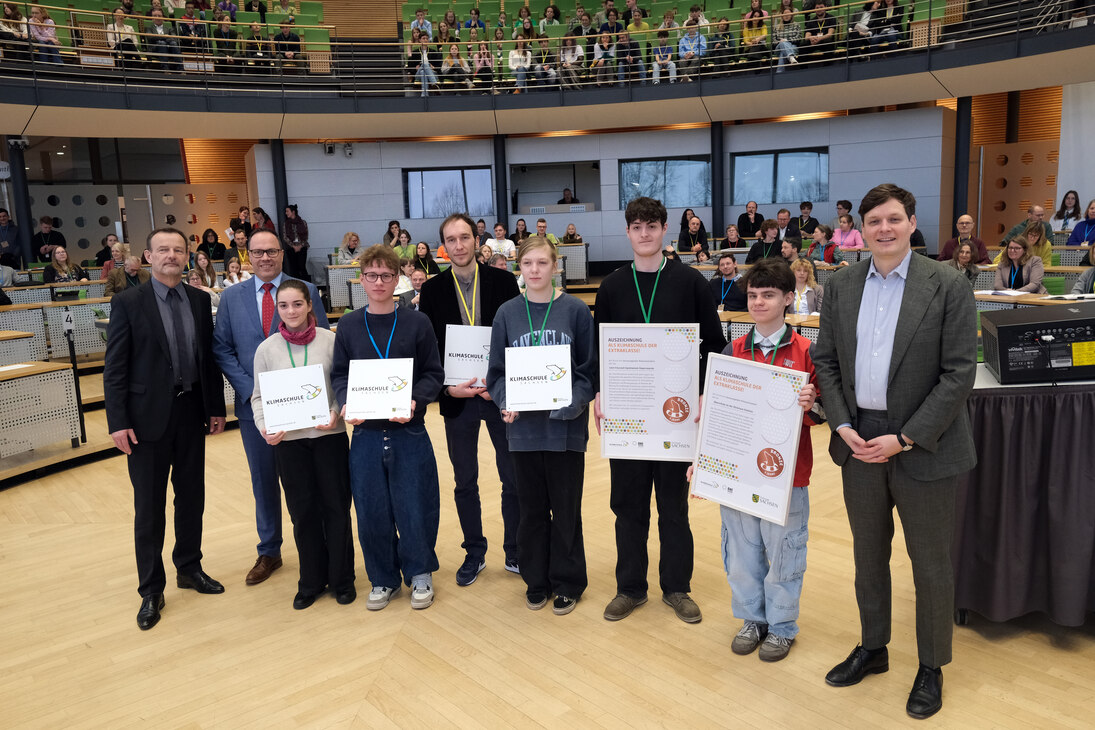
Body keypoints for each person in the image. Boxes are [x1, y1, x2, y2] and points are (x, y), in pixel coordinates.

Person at [813, 183, 977, 720]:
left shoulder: (948, 284)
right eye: (873, 221)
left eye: (893, 219)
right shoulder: (840, 286)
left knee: (930, 564)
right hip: (859, 441)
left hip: (922, 445)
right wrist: (840, 423)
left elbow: (959, 374)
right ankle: (874, 647)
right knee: (867, 556)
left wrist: (904, 438)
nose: (883, 229)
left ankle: (932, 665)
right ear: (861, 229)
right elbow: (827, 361)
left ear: (911, 224)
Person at [593, 196, 726, 624]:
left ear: (665, 230)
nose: (645, 233)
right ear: (628, 232)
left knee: (674, 507)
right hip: (629, 419)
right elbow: (600, 352)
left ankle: (676, 587)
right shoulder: (612, 286)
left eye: (652, 226)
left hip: (677, 416)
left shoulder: (690, 282)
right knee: (627, 506)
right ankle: (630, 587)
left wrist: (706, 393)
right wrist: (598, 393)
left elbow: (714, 347)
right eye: (637, 226)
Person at [104, 227, 227, 631]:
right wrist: (118, 421)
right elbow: (115, 368)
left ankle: (189, 568)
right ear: (148, 256)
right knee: (149, 507)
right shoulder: (128, 302)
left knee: (191, 498)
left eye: (178, 249)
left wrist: (215, 407)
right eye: (163, 250)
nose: (171, 255)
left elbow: (206, 360)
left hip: (191, 412)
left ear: (187, 256)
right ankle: (151, 589)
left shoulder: (197, 299)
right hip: (145, 420)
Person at [696, 257, 819, 662]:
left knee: (784, 552)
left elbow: (825, 413)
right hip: (737, 472)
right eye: (752, 295)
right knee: (742, 551)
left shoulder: (806, 352)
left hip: (786, 476)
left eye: (768, 295)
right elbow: (718, 414)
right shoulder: (732, 350)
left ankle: (782, 626)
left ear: (788, 298)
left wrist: (812, 402)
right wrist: (704, 461)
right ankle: (752, 618)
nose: (759, 302)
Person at [486, 236, 596, 615]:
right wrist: (505, 402)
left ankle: (568, 581)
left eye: (542, 263)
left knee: (566, 509)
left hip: (565, 431)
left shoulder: (577, 311)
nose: (535, 270)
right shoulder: (506, 313)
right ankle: (536, 580)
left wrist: (573, 404)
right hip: (523, 433)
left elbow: (587, 373)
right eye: (528, 263)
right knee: (531, 510)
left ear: (555, 266)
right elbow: (496, 374)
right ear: (520, 267)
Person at [213, 229, 328, 587]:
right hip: (256, 408)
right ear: (248, 255)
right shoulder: (231, 298)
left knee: (311, 480)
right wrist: (253, 391)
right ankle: (269, 550)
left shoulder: (305, 291)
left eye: (271, 251)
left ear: (281, 254)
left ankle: (318, 547)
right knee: (263, 480)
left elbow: (322, 341)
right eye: (257, 252)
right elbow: (222, 348)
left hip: (305, 408)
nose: (265, 257)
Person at [333, 245, 445, 611]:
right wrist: (345, 401)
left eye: (386, 275)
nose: (379, 282)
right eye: (371, 275)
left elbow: (432, 373)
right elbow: (339, 375)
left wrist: (416, 401)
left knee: (416, 504)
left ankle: (420, 572)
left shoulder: (417, 322)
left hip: (408, 430)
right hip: (365, 433)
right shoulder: (348, 325)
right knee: (371, 509)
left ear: (398, 280)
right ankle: (382, 578)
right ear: (361, 279)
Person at [419, 213, 523, 586]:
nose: (459, 245)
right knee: (465, 480)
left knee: (511, 478)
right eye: (452, 239)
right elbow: (429, 349)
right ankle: (474, 552)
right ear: (443, 247)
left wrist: (503, 384)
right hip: (457, 396)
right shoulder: (431, 290)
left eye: (465, 237)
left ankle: (515, 549)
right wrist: (446, 389)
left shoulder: (503, 281)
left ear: (477, 241)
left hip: (499, 396)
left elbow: (516, 338)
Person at [251, 279, 355, 610]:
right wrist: (265, 427)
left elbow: (342, 386)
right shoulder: (266, 349)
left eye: (297, 304)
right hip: (290, 444)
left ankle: (342, 579)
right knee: (303, 513)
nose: (291, 311)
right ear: (276, 310)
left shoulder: (330, 341)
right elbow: (258, 398)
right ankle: (310, 581)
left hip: (329, 438)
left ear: (310, 305)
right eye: (284, 305)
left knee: (336, 510)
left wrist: (337, 413)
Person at [282, 204, 309, 280]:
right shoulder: (286, 224)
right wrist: (293, 246)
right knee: (294, 268)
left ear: (293, 212)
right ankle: (296, 285)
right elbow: (285, 236)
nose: (286, 213)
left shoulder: (303, 222)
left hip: (302, 247)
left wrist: (300, 246)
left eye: (287, 211)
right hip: (291, 248)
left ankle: (306, 285)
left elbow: (306, 236)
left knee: (302, 267)